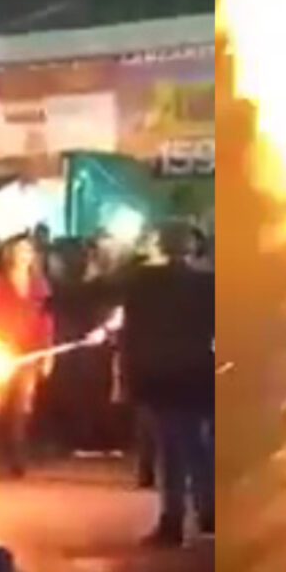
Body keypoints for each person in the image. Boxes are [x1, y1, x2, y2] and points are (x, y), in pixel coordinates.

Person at [95, 220, 214, 546]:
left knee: (171, 449)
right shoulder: (208, 282)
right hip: (197, 373)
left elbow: (108, 298)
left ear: (159, 245)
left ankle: (173, 520)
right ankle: (208, 512)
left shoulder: (142, 280)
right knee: (198, 445)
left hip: (160, 374)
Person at [0, 235, 55, 476]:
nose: (24, 255)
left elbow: (47, 320)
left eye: (28, 250)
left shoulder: (40, 285)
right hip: (1, 351)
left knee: (22, 409)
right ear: (10, 255)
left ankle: (17, 460)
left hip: (30, 352)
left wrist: (48, 353)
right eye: (20, 250)